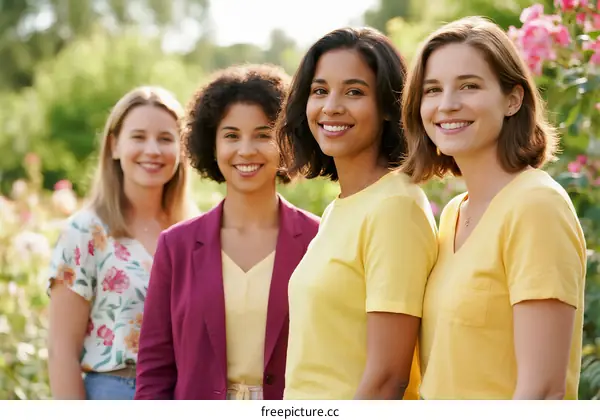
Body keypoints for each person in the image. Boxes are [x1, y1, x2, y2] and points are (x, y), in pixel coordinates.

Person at [401, 16, 587, 400]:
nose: (447, 104)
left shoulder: (536, 206)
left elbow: (542, 391)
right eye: (432, 90)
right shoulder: (454, 212)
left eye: (469, 85)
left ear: (513, 99)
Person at [134, 64, 320, 400]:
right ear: (212, 144)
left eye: (263, 134)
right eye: (231, 135)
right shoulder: (176, 246)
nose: (245, 150)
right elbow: (155, 368)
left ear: (287, 141)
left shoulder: (318, 240)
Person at [276, 27, 438, 400]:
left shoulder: (395, 206)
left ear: (387, 106)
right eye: (320, 91)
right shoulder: (340, 208)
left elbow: (387, 378)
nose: (331, 106)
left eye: (354, 92)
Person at [47, 86, 197, 399]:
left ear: (182, 150)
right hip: (116, 393)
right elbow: (61, 351)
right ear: (115, 145)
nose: (153, 150)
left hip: (187, 394)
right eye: (139, 137)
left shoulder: (196, 233)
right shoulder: (85, 232)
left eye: (166, 139)